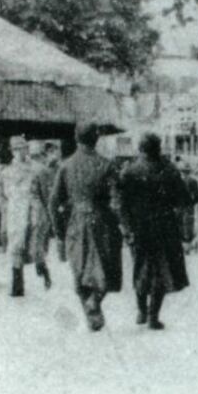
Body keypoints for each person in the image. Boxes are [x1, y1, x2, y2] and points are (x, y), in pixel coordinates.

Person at [50, 124, 124, 331]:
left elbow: (53, 202)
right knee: (107, 267)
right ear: (96, 138)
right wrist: (122, 224)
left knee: (80, 269)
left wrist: (59, 232)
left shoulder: (66, 166)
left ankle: (91, 312)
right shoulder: (107, 165)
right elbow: (116, 202)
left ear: (76, 138)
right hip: (102, 222)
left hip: (76, 223)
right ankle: (94, 304)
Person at [118, 134, 190, 330]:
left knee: (140, 268)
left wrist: (127, 228)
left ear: (140, 148)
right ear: (158, 148)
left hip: (138, 228)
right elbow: (183, 199)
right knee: (160, 271)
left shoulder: (129, 171)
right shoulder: (169, 169)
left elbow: (121, 204)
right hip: (164, 228)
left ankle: (141, 310)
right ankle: (153, 316)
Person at [1, 135, 35, 297]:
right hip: (17, 209)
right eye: (18, 149)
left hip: (29, 206)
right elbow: (8, 192)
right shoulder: (9, 171)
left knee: (29, 242)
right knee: (16, 242)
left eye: (24, 148)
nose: (22, 151)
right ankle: (17, 283)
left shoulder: (31, 167)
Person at [28, 140, 59, 290]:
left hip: (41, 212)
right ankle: (43, 269)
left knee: (39, 243)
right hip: (41, 212)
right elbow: (39, 194)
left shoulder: (52, 170)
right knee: (38, 243)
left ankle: (42, 268)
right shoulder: (41, 171)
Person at [178, 161, 198, 254]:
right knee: (188, 226)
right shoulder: (193, 181)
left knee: (180, 225)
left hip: (179, 206)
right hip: (189, 207)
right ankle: (187, 247)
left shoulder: (178, 181)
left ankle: (181, 246)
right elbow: (197, 196)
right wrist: (192, 203)